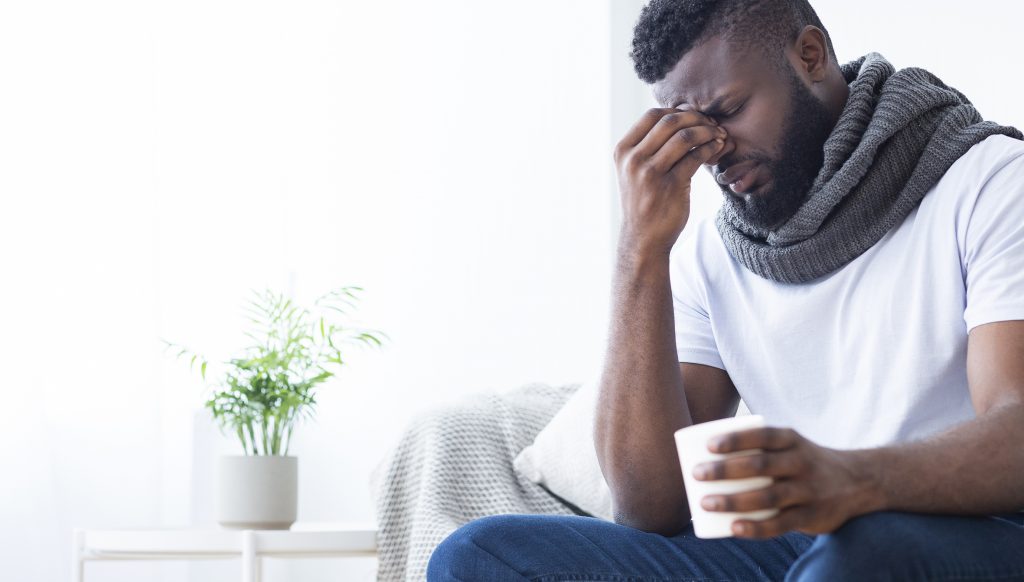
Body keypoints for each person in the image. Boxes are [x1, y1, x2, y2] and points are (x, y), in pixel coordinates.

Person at [427, 0, 1024, 579]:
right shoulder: (710, 252)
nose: (712, 150)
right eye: (687, 128)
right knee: (481, 555)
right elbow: (649, 508)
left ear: (810, 56)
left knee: (862, 553)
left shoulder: (989, 183)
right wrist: (641, 249)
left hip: (973, 531)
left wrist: (848, 479)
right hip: (799, 547)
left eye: (729, 109)